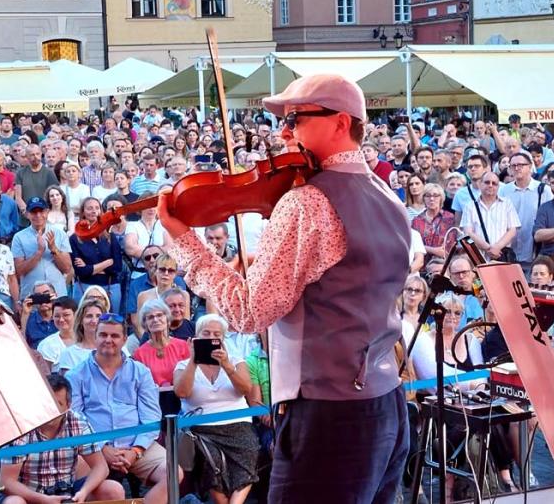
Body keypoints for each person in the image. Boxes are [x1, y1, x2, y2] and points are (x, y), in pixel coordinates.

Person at [160, 74, 409, 501]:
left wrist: (183, 240)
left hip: (328, 415)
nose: (284, 131)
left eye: (296, 118)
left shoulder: (307, 202)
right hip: (387, 405)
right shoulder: (388, 196)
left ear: (340, 123)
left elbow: (246, 312)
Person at [66, 317, 176, 503]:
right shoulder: (76, 375)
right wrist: (101, 447)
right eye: (103, 335)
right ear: (95, 337)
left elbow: (151, 417)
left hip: (136, 445)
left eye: (115, 335)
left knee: (173, 473)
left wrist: (136, 450)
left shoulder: (141, 372)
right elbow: (75, 420)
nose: (108, 340)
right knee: (84, 480)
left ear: (125, 339)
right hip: (92, 448)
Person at [1, 373, 126, 504]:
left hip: (69, 493)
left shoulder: (77, 423)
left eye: (58, 404)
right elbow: (6, 481)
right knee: (13, 502)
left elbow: (101, 467)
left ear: (68, 405)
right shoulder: (21, 427)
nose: (51, 410)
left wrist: (83, 492)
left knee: (113, 490)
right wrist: (42, 499)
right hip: (29, 495)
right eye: (46, 403)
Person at [173, 314, 258, 504]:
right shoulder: (182, 366)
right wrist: (193, 361)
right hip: (201, 428)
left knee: (249, 449)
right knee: (210, 461)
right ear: (196, 337)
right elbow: (182, 392)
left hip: (237, 424)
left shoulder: (236, 361)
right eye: (206, 333)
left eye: (216, 334)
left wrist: (226, 364)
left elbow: (245, 389)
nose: (211, 337)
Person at [13, 198, 73, 299]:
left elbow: (67, 268)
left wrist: (54, 249)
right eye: (33, 212)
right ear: (27, 214)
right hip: (31, 295)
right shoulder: (19, 237)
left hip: (57, 293)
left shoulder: (60, 234)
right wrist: (39, 252)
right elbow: (20, 271)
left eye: (41, 211)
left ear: (47, 212)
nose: (38, 215)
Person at [131, 299, 191, 388]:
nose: (155, 320)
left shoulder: (183, 346)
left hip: (181, 398)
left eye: (159, 315)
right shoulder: (140, 354)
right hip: (153, 399)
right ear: (145, 324)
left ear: (167, 320)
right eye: (150, 317)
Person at [53, 300, 109, 373]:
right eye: (89, 316)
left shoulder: (118, 350)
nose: (94, 320)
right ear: (81, 320)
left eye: (98, 316)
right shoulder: (69, 354)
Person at [36, 297, 79, 366]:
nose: (61, 319)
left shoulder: (88, 340)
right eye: (57, 316)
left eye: (66, 315)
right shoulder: (47, 345)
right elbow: (45, 374)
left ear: (76, 315)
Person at [19, 282, 58, 349]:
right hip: (37, 356)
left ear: (54, 295)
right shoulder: (29, 319)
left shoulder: (62, 317)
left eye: (46, 295)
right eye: (38, 296)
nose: (42, 300)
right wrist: (25, 314)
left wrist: (57, 303)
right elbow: (22, 344)